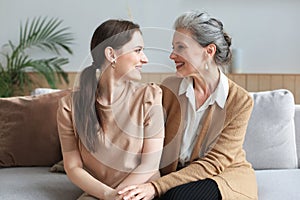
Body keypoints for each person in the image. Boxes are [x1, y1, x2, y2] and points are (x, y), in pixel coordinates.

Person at [118, 11, 258, 200]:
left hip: (220, 176)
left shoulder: (239, 101)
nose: (172, 55)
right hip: (175, 175)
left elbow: (214, 163)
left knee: (176, 197)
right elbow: (141, 129)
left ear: (209, 51)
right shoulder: (169, 88)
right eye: (173, 47)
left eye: (181, 47)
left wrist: (155, 187)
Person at [56, 19, 164, 200]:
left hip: (139, 191)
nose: (145, 59)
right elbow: (73, 167)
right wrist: (108, 195)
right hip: (99, 194)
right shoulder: (69, 106)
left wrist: (119, 196)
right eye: (138, 50)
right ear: (111, 54)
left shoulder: (150, 96)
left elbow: (150, 164)